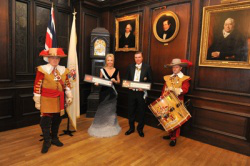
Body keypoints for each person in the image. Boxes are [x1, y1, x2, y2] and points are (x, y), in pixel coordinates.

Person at [33, 48, 73, 153]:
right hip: (46, 98)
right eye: (52, 58)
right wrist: (37, 100)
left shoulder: (64, 70)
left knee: (57, 119)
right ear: (48, 58)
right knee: (45, 121)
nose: (55, 60)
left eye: (57, 58)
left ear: (59, 59)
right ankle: (47, 141)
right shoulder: (42, 69)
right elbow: (38, 85)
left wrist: (69, 95)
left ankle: (54, 138)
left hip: (59, 99)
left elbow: (67, 84)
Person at [88, 54, 121, 137]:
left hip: (112, 92)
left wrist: (115, 81)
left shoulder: (116, 70)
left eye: (111, 60)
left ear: (113, 61)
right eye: (108, 60)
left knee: (111, 110)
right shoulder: (102, 70)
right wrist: (97, 83)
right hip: (104, 92)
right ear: (106, 61)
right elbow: (100, 80)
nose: (110, 62)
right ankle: (101, 126)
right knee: (102, 109)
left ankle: (110, 126)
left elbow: (119, 81)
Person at [161, 58, 192, 146]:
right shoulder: (168, 78)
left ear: (181, 68)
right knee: (168, 119)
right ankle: (170, 134)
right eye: (173, 67)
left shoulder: (185, 78)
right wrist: (162, 99)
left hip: (177, 102)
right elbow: (164, 89)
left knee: (176, 120)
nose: (174, 69)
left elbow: (185, 90)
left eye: (177, 67)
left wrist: (174, 90)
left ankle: (174, 138)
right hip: (167, 101)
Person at [125, 52, 153, 137]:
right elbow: (126, 80)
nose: (137, 59)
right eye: (136, 57)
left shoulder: (147, 67)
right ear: (134, 58)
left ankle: (140, 129)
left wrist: (144, 88)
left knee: (141, 112)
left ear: (142, 58)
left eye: (139, 57)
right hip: (131, 93)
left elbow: (151, 81)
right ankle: (131, 128)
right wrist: (127, 85)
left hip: (141, 94)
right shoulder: (130, 67)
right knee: (131, 111)